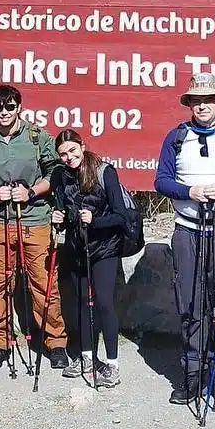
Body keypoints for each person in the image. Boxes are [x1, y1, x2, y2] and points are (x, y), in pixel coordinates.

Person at [154, 72, 215, 407]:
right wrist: (189, 191)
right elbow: (162, 181)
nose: (202, 106)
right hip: (187, 230)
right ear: (189, 104)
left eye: (207, 100)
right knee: (192, 305)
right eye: (196, 101)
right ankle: (191, 376)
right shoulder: (176, 137)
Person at [0, 84, 68, 372]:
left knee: (43, 284)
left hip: (35, 219)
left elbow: (55, 171)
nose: (4, 112)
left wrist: (32, 192)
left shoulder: (37, 137)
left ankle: (55, 343)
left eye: (10, 106)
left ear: (19, 107)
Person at [48, 128, 125, 388]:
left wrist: (96, 220)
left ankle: (112, 364)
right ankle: (86, 357)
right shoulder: (59, 176)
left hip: (105, 247)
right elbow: (65, 211)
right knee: (81, 303)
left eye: (72, 150)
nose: (69, 157)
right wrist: (58, 219)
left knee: (103, 302)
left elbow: (121, 217)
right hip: (77, 246)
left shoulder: (105, 172)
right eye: (63, 154)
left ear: (82, 146)